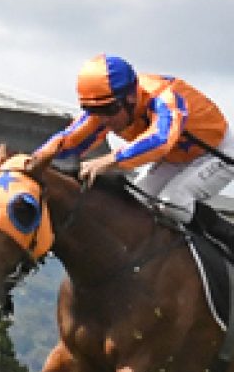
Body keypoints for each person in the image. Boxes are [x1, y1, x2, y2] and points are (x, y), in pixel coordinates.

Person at [33, 54, 234, 245]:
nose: (103, 120)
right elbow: (68, 140)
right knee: (134, 203)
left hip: (217, 150)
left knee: (173, 202)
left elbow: (160, 140)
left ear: (130, 97)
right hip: (175, 158)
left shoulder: (163, 97)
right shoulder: (106, 105)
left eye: (109, 110)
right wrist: (33, 161)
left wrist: (108, 160)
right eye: (94, 111)